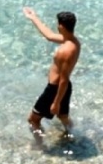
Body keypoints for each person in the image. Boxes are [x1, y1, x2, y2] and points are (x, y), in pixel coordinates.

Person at [22, 7, 80, 142]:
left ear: (60, 26)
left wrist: (56, 103)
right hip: (63, 88)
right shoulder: (73, 41)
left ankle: (40, 145)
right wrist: (33, 18)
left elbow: (63, 80)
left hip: (55, 89)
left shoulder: (65, 51)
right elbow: (49, 36)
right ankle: (72, 137)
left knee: (33, 119)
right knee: (63, 117)